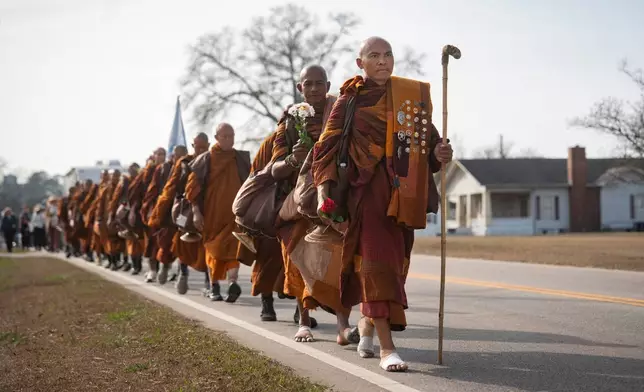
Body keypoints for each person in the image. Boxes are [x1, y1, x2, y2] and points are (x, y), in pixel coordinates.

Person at [311, 37, 453, 372]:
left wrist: (440, 153)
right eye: (374, 56)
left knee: (396, 269)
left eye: (388, 55)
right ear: (360, 63)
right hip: (366, 196)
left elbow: (428, 142)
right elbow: (326, 148)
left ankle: (367, 326)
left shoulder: (408, 95)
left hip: (404, 196)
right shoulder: (350, 100)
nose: (382, 61)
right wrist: (323, 194)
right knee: (376, 267)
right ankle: (389, 350)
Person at [270, 65, 357, 344]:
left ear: (329, 85)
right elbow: (276, 169)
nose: (315, 89)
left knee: (338, 260)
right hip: (299, 200)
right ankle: (304, 320)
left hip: (333, 196)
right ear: (300, 89)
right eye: (309, 84)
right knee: (298, 258)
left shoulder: (341, 114)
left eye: (320, 83)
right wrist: (295, 160)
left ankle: (343, 325)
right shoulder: (290, 121)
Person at [186, 123, 250, 302]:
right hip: (212, 216)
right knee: (213, 249)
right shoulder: (204, 161)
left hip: (234, 214)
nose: (229, 140)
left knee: (234, 247)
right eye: (225, 137)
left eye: (231, 136)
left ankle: (232, 283)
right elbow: (192, 191)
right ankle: (214, 286)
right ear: (216, 138)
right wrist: (196, 211)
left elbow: (250, 183)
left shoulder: (240, 159)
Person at [235, 131, 287, 321]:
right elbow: (255, 175)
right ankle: (267, 303)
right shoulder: (270, 142)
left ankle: (302, 311)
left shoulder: (307, 137)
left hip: (295, 204)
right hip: (268, 210)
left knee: (299, 258)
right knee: (267, 258)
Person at [149, 135, 210, 294]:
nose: (201, 151)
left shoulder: (213, 161)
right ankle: (182, 274)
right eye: (198, 147)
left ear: (209, 145)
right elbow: (171, 188)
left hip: (207, 210)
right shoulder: (184, 163)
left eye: (204, 147)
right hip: (185, 210)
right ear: (193, 146)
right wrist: (164, 211)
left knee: (207, 247)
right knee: (182, 243)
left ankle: (209, 283)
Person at [144, 145, 188, 284]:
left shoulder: (189, 165)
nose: (178, 158)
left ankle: (182, 272)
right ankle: (163, 266)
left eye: (182, 155)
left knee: (184, 241)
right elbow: (152, 190)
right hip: (167, 212)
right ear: (172, 155)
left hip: (184, 211)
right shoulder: (162, 169)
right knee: (165, 242)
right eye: (176, 155)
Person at [140, 148, 166, 283]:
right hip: (151, 209)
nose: (161, 157)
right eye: (159, 154)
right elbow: (143, 187)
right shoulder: (149, 171)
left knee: (164, 241)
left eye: (163, 154)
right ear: (154, 156)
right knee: (151, 241)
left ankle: (164, 269)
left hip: (164, 209)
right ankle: (152, 270)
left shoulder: (168, 168)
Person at [108, 162, 140, 272]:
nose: (133, 171)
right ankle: (128, 263)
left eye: (135, 169)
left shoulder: (141, 180)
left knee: (139, 241)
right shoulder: (125, 181)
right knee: (128, 240)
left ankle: (136, 264)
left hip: (139, 210)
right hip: (126, 212)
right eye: (131, 169)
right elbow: (117, 198)